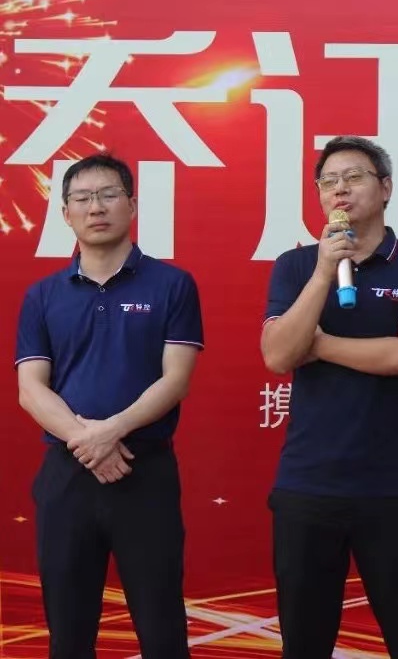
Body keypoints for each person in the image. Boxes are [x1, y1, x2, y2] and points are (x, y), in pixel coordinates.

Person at [261, 136, 398, 659]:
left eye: (354, 177)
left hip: (394, 489)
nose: (339, 189)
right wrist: (325, 270)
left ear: (386, 188)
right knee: (304, 644)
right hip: (308, 484)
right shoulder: (296, 265)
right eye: (328, 181)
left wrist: (319, 345)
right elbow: (278, 355)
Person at [15, 154, 204, 659]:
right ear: (66, 213)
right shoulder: (43, 295)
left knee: (162, 631)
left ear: (132, 206)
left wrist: (111, 431)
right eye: (82, 198)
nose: (95, 207)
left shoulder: (172, 285)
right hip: (67, 477)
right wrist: (89, 443)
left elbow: (176, 380)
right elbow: (30, 389)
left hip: (143, 473)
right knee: (69, 634)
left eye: (108, 195)